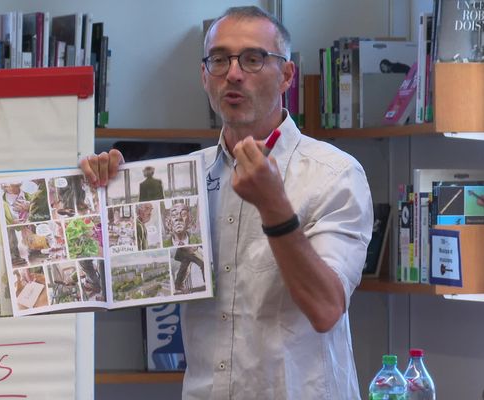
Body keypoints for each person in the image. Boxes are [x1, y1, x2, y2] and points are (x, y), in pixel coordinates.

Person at [81, 6, 372, 399]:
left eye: (253, 59)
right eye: (219, 60)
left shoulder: (334, 174)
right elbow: (116, 285)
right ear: (205, 76)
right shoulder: (183, 180)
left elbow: (325, 309)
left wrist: (275, 209)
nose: (233, 73)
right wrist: (103, 199)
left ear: (287, 75)